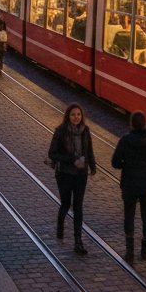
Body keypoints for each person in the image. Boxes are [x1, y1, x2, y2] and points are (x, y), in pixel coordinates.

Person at [111, 110, 146, 263]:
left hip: (130, 184)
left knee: (129, 215)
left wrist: (125, 164)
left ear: (131, 125)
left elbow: (115, 162)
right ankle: (145, 249)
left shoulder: (125, 140)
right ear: (145, 124)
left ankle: (129, 251)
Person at [48, 104, 97, 256]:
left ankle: (78, 241)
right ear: (67, 116)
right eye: (73, 115)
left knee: (78, 207)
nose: (76, 117)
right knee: (65, 204)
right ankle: (60, 226)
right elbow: (52, 153)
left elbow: (89, 150)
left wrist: (93, 166)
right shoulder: (61, 131)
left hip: (80, 174)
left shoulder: (85, 131)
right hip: (64, 173)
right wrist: (70, 159)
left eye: (78, 115)